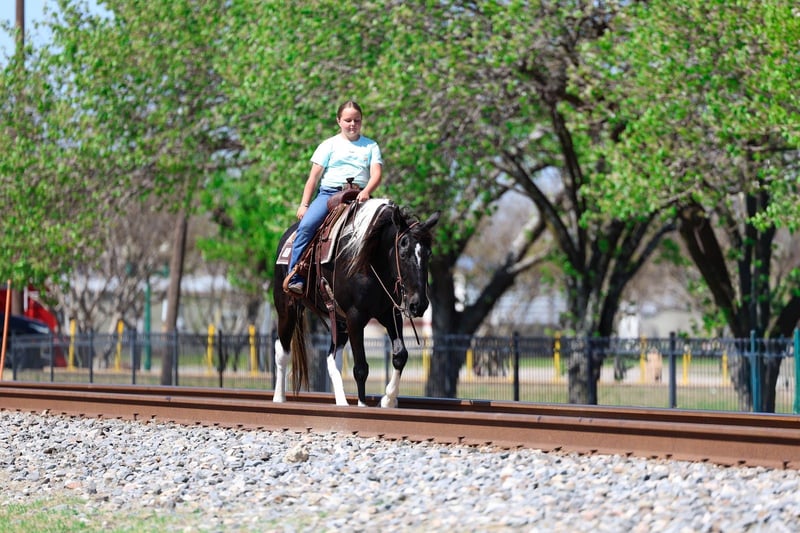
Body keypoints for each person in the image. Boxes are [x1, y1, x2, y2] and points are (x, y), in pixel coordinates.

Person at [286, 100, 383, 294]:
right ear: (339, 121)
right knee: (306, 226)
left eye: (357, 120)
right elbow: (313, 178)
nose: (352, 124)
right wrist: (304, 204)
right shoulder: (328, 145)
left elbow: (376, 174)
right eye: (348, 120)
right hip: (330, 194)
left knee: (386, 227)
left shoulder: (371, 146)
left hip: (360, 195)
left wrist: (366, 191)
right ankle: (295, 276)